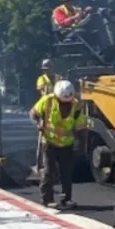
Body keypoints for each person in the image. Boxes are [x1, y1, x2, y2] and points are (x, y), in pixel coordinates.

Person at [29, 80, 86, 209]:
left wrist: (82, 143)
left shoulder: (76, 106)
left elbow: (80, 126)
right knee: (49, 171)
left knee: (66, 173)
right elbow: (33, 113)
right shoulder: (47, 100)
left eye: (67, 103)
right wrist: (38, 123)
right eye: (62, 102)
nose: (65, 105)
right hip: (49, 142)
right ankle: (47, 199)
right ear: (57, 97)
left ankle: (66, 199)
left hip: (67, 144)